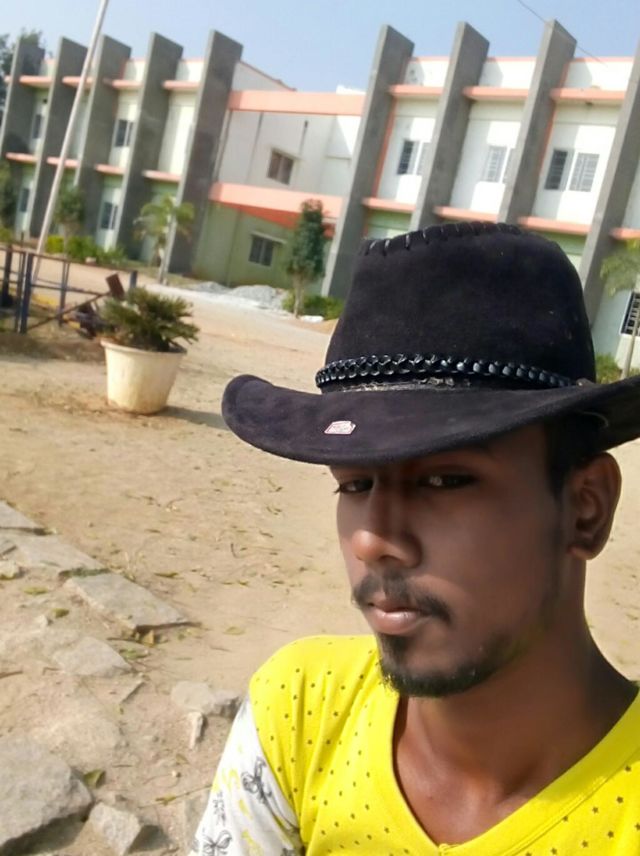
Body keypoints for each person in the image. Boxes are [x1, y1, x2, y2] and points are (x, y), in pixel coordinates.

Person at [190, 222, 640, 855]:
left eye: (444, 480)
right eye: (354, 484)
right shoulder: (300, 712)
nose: (372, 539)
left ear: (585, 510)